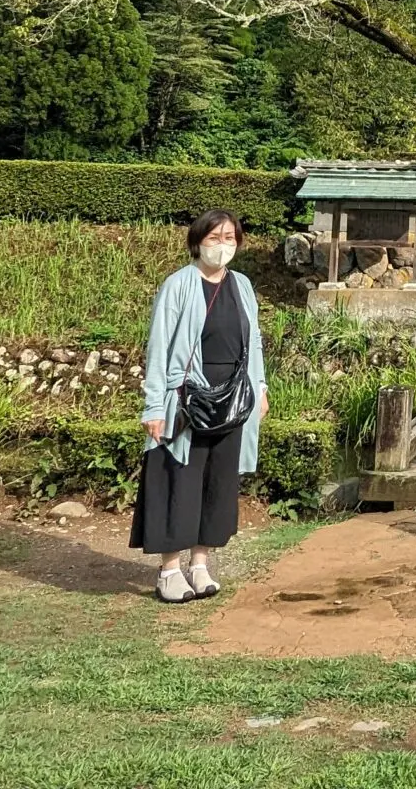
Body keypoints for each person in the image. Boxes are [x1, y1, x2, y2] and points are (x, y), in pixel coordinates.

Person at [132, 209, 268, 603]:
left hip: (231, 400)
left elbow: (253, 341)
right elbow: (159, 346)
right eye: (214, 238)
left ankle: (201, 564)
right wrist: (154, 406)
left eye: (229, 238)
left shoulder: (242, 285)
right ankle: (170, 570)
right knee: (179, 480)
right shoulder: (178, 285)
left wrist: (259, 386)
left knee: (218, 483)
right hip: (187, 397)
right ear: (197, 242)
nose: (222, 246)